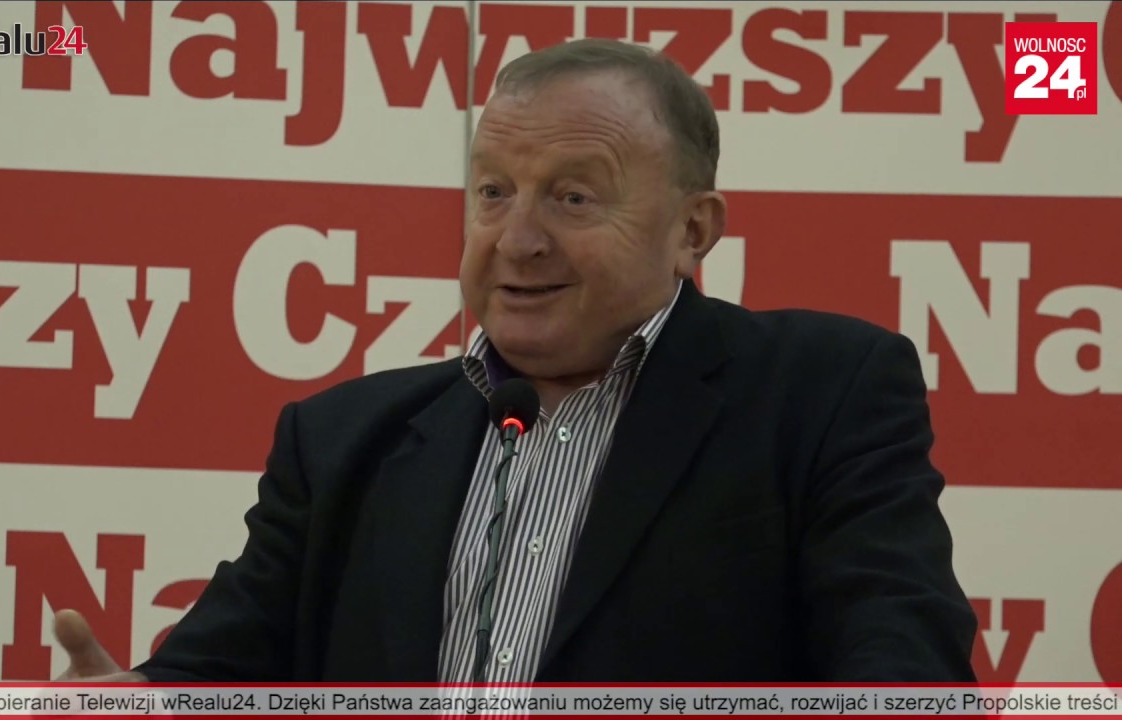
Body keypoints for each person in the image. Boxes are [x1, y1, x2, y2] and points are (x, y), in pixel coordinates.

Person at [52, 38, 977, 683]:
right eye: (493, 192)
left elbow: (902, 665)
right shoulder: (339, 440)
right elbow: (216, 677)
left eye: (573, 198)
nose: (518, 239)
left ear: (692, 231)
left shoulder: (822, 393)